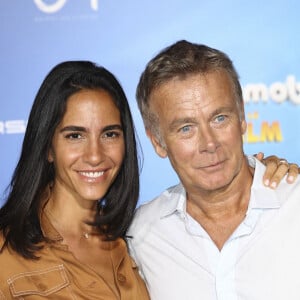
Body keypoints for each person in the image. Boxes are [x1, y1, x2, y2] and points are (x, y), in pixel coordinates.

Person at [127, 40, 300, 300]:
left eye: (220, 118)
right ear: (157, 142)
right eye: (186, 128)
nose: (209, 143)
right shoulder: (138, 236)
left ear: (242, 117)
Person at [0, 61, 149, 299]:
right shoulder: (5, 254)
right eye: (75, 135)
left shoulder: (139, 240)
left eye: (110, 134)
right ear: (48, 147)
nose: (94, 155)